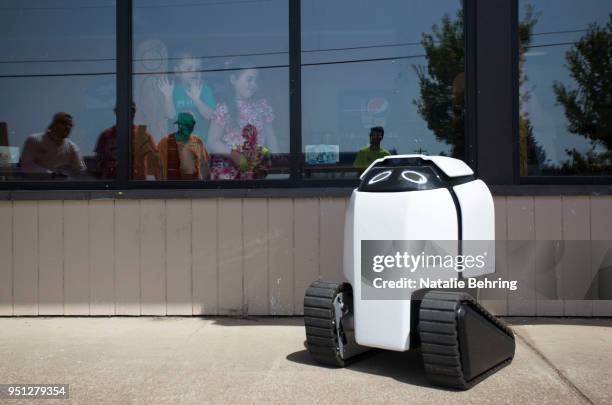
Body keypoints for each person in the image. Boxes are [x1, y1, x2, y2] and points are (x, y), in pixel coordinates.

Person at [207, 67, 277, 180]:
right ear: (233, 79)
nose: (254, 84)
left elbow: (271, 137)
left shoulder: (262, 106)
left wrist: (277, 164)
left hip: (256, 171)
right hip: (229, 173)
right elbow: (212, 142)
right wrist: (235, 156)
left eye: (256, 81)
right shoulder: (223, 107)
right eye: (249, 79)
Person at [157, 53, 216, 142]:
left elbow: (210, 115)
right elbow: (170, 115)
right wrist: (168, 97)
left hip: (201, 141)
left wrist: (197, 100)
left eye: (198, 69)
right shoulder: (173, 90)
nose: (194, 72)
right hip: (178, 142)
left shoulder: (205, 90)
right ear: (177, 72)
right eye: (189, 69)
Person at [94, 102, 160, 180]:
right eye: (123, 110)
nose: (128, 113)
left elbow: (156, 164)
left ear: (135, 112)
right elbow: (98, 163)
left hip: (138, 186)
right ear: (116, 112)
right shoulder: (106, 136)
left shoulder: (143, 135)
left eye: (132, 111)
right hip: (112, 185)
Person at [20, 112, 86, 177]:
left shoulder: (72, 147)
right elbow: (27, 167)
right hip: (36, 185)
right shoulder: (35, 140)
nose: (68, 127)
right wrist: (52, 174)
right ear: (54, 124)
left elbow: (80, 170)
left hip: (63, 186)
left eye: (70, 125)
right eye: (64, 123)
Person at [158, 112, 210, 180]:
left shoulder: (197, 142)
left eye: (192, 125)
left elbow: (204, 166)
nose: (191, 128)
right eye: (187, 125)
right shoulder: (165, 142)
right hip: (170, 187)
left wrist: (206, 186)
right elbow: (158, 167)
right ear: (179, 126)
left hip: (194, 187)